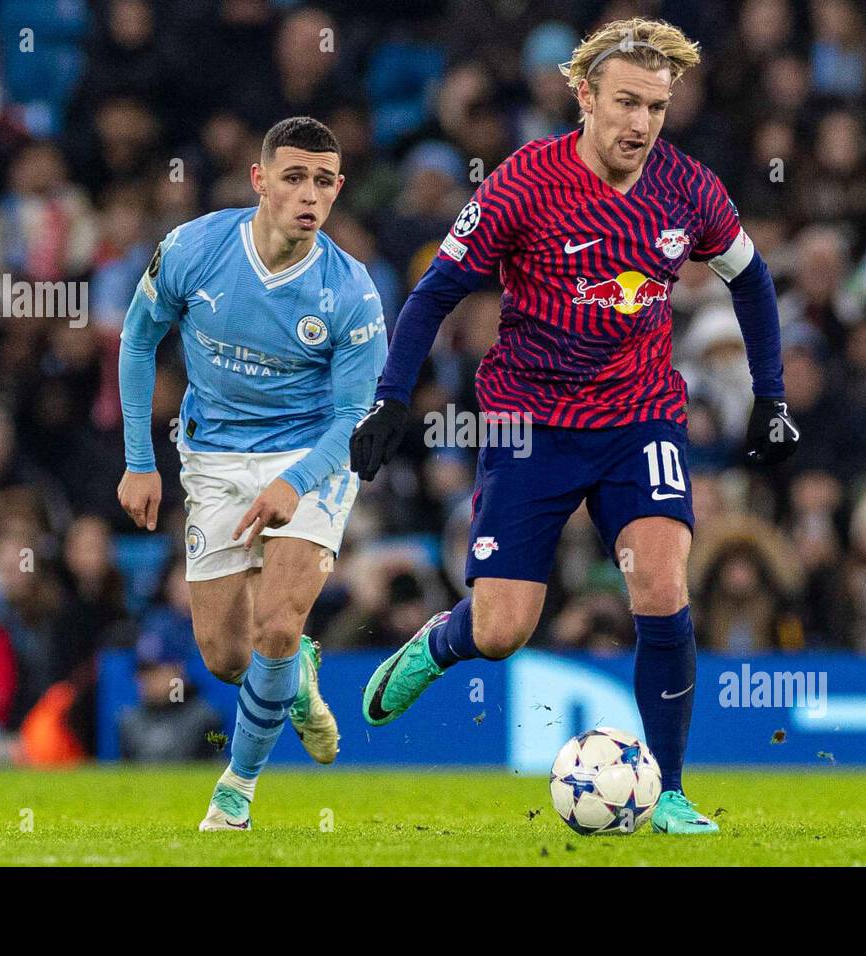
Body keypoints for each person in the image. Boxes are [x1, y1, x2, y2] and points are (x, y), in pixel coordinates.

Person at [350, 18, 799, 835]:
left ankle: (668, 792)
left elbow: (753, 279)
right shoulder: (525, 181)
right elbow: (435, 293)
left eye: (658, 107)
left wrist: (770, 395)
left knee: (662, 586)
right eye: (626, 102)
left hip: (641, 416)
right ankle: (442, 642)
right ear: (584, 96)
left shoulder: (687, 187)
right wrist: (390, 396)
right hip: (531, 425)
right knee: (503, 631)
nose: (641, 124)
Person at [117, 116, 388, 831]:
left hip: (312, 457)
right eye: (293, 177)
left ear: (338, 190)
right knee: (229, 658)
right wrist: (139, 461)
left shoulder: (352, 293)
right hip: (212, 460)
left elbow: (356, 419)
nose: (308, 194)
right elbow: (139, 339)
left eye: (323, 181)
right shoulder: (195, 248)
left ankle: (236, 789)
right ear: (260, 180)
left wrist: (294, 483)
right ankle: (294, 676)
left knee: (276, 623)